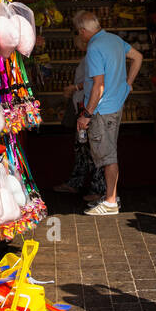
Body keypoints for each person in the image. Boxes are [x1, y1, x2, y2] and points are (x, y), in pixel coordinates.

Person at [72, 12, 142, 216]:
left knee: (108, 155)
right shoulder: (114, 39)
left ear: (83, 31)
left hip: (102, 109)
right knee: (109, 151)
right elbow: (138, 57)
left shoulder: (94, 48)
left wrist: (86, 114)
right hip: (115, 104)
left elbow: (98, 87)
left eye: (79, 32)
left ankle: (111, 201)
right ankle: (110, 196)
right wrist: (127, 84)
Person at [51, 47, 106, 202]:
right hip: (84, 106)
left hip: (88, 108)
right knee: (82, 148)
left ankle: (98, 188)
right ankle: (76, 182)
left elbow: (96, 82)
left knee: (93, 149)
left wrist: (75, 88)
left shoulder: (95, 56)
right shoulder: (90, 56)